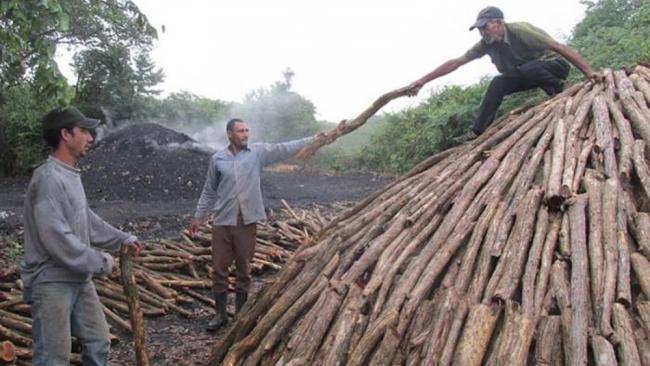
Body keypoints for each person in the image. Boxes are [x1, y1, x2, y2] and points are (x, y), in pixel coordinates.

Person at [21, 106, 143, 366]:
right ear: (65, 134)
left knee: (99, 341)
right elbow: (58, 240)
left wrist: (122, 238)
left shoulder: (70, 175)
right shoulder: (48, 179)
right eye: (84, 131)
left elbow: (85, 220)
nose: (90, 137)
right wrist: (101, 261)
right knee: (53, 358)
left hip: (78, 278)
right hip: (52, 281)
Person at [189, 118, 323, 331]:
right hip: (222, 221)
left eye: (247, 131)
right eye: (241, 131)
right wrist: (199, 216)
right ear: (230, 134)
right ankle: (220, 315)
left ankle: (240, 315)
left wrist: (313, 139)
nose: (245, 134)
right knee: (220, 269)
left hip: (246, 221)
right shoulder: (218, 159)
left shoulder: (257, 153)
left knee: (244, 268)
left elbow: (283, 148)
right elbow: (209, 190)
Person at [407, 6, 600, 142]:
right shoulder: (486, 44)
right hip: (526, 73)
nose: (482, 32)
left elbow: (558, 47)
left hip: (553, 65)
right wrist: (422, 81)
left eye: (485, 27)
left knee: (529, 68)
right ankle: (477, 131)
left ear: (498, 23)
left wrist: (589, 71)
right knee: (498, 83)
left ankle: (559, 89)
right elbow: (457, 62)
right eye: (479, 29)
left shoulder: (520, 30)